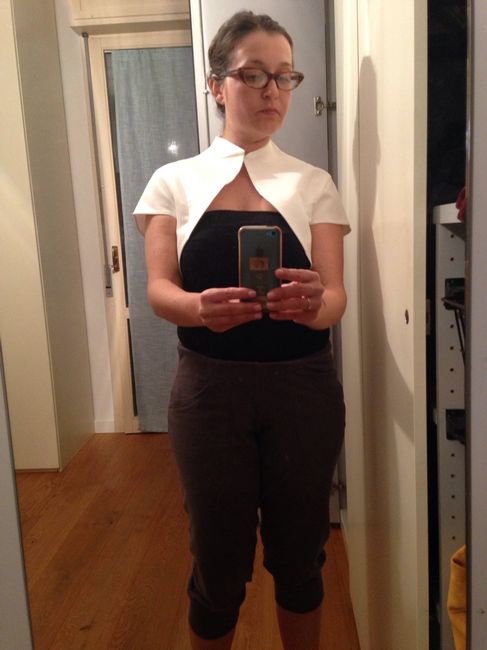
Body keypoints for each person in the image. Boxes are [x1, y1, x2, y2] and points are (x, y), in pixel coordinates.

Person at [133, 11, 350, 650]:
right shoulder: (172, 182)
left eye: (284, 76)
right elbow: (159, 291)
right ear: (217, 85)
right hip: (208, 392)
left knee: (302, 556)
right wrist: (198, 309)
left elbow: (337, 298)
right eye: (253, 75)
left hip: (303, 389)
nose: (272, 91)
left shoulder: (315, 184)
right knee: (218, 563)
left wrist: (314, 304)